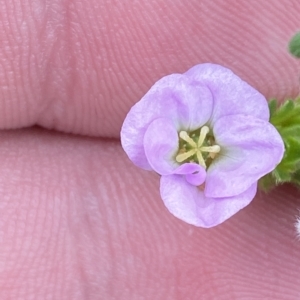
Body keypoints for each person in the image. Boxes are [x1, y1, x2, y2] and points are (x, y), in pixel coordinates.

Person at [0, 0, 299, 299]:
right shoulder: (181, 137)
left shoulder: (230, 139)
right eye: (196, 146)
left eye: (198, 147)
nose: (197, 148)